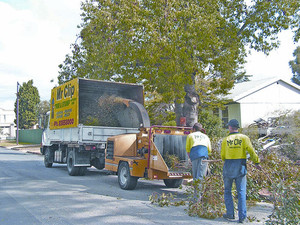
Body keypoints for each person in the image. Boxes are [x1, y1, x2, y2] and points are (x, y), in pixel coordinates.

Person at [221, 119, 261, 223]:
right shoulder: (244, 138)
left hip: (228, 167)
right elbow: (251, 151)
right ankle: (242, 217)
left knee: (227, 191)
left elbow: (223, 156)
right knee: (241, 192)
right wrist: (257, 162)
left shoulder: (226, 140)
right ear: (238, 127)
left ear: (230, 127)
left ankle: (230, 213)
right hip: (240, 167)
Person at [186, 123, 211, 200]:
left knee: (196, 177)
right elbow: (209, 149)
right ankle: (198, 198)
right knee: (201, 177)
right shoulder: (206, 136)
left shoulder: (190, 136)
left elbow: (188, 149)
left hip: (194, 156)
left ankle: (197, 199)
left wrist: (190, 158)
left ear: (193, 129)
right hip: (204, 156)